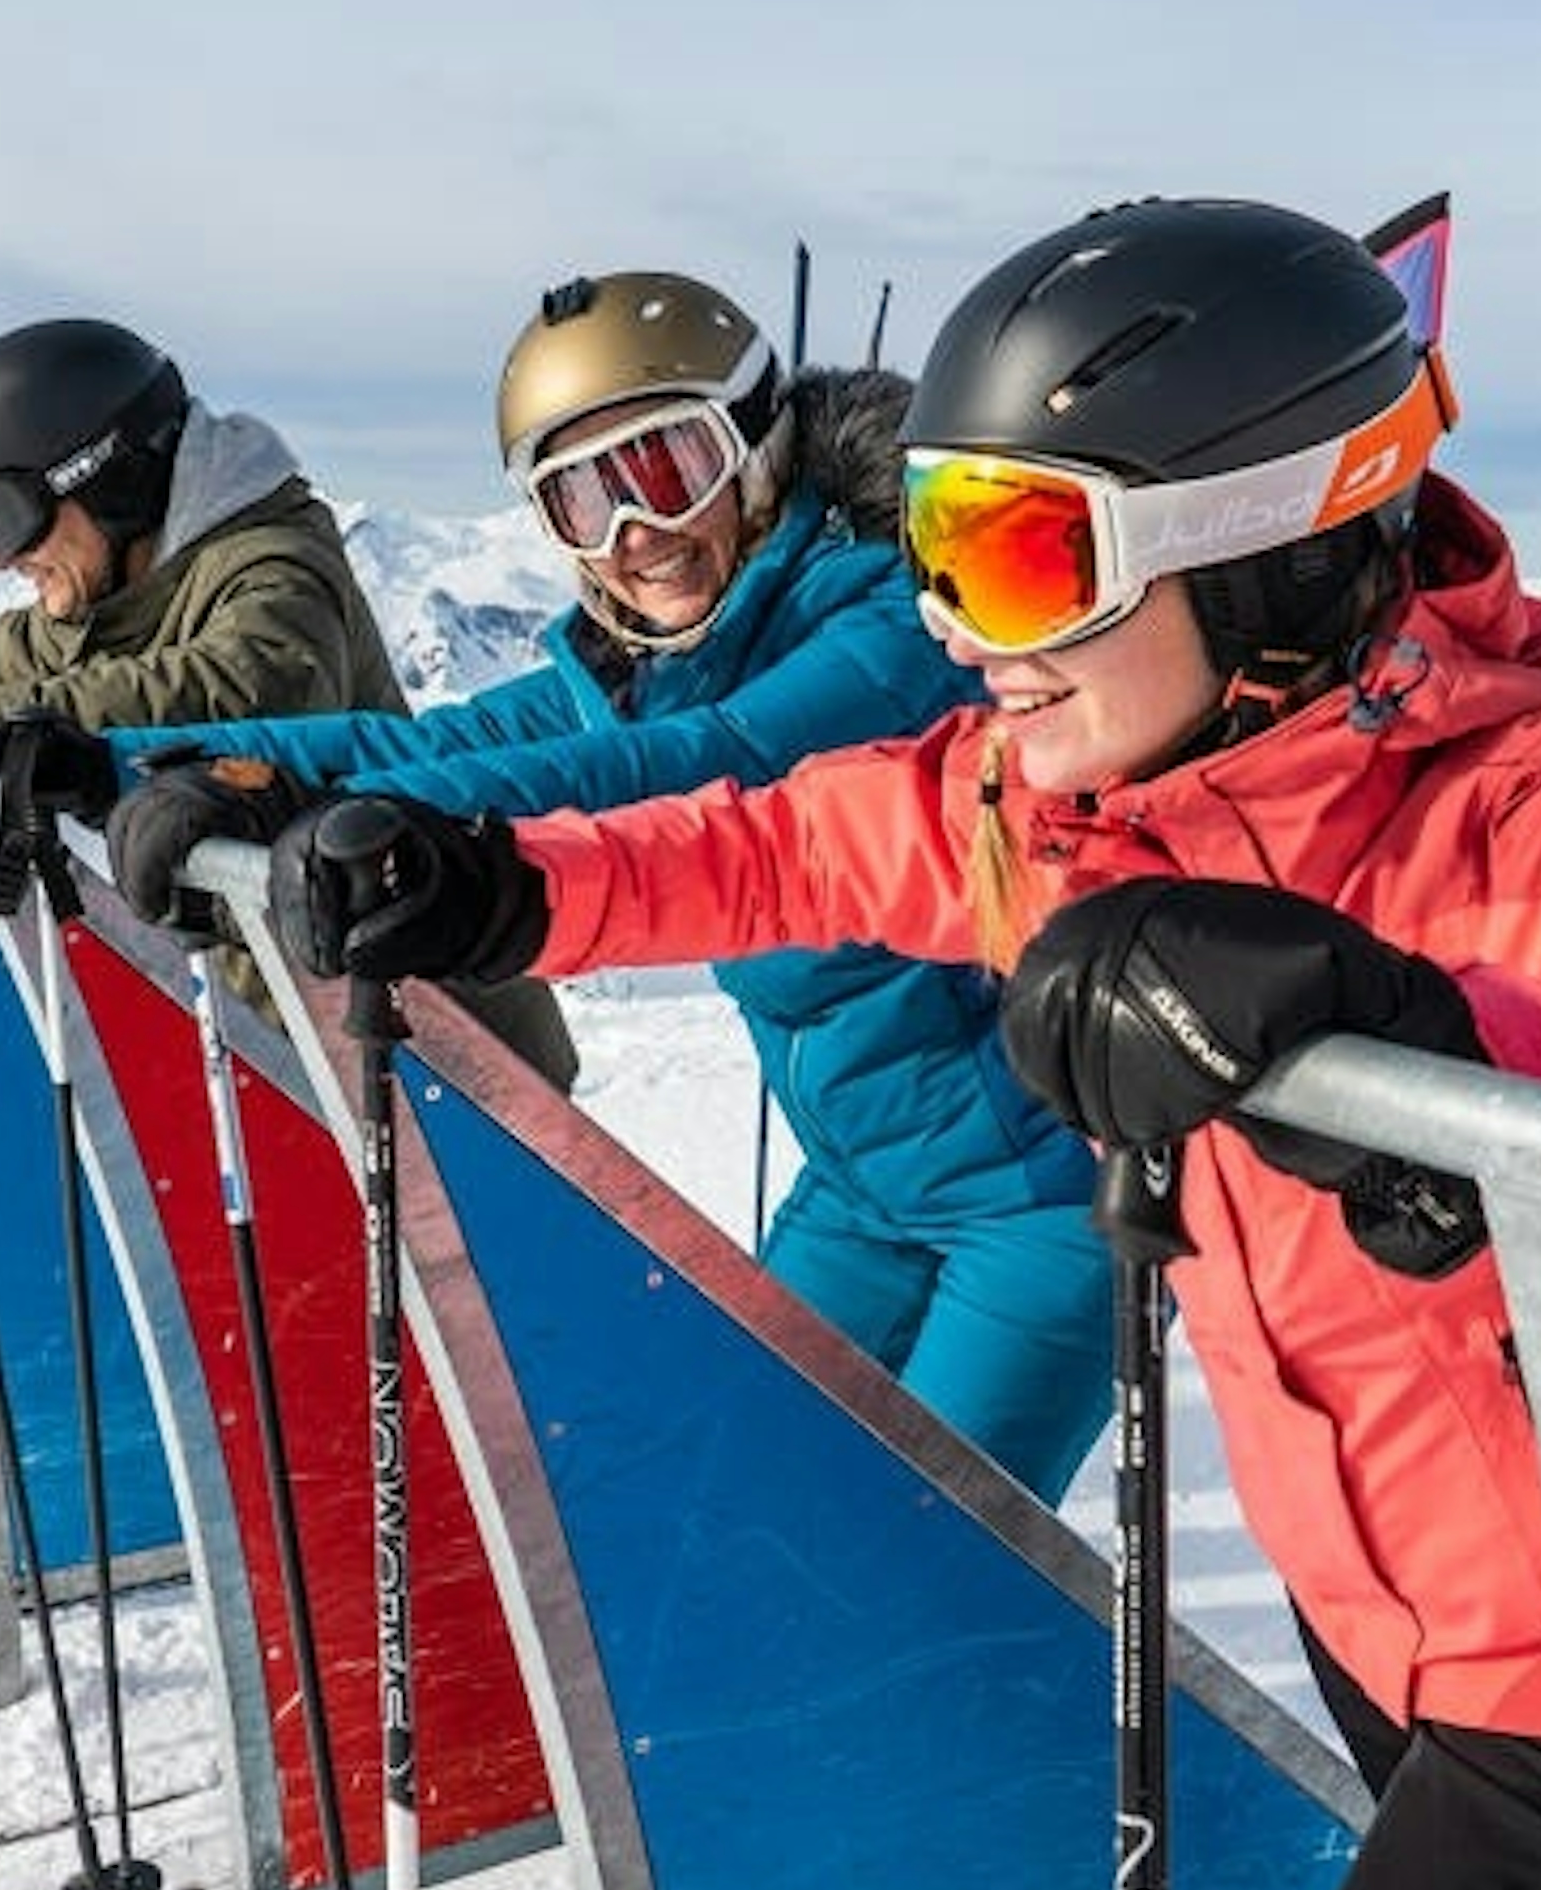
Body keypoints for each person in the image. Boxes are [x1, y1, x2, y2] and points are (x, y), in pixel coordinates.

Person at [251, 197, 1541, 1890]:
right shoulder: (1068, 807)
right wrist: (505, 885)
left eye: (1018, 554)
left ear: (1256, 542)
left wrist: (1456, 1038)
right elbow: (770, 838)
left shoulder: (1526, 806)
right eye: (935, 549)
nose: (950, 626)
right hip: (1381, 1627)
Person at [95, 268, 1115, 1504]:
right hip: (859, 1189)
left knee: (938, 1585)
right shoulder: (647, 662)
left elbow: (703, 765)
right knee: (755, 1512)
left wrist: (416, 833)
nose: (634, 529)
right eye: (581, 497)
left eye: (666, 466)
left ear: (758, 447)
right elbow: (433, 741)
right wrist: (150, 763)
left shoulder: (889, 626)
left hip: (1029, 1210)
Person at [0, 313, 577, 1574]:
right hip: (294, 1029)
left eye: (3, 522)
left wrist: (10, 729)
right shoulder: (123, 574)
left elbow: (231, 682)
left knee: (487, 1324)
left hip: (431, 1041)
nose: (2, 564)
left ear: (98, 477)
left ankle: (510, 1572)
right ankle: (371, 1543)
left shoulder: (271, 566)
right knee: (342, 1313)